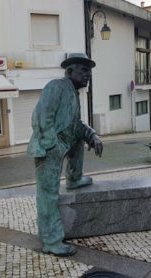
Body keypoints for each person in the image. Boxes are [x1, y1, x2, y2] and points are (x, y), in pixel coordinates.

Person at [27, 53, 103, 256]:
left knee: (79, 136)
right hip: (49, 147)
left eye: (89, 71)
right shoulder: (56, 86)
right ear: (70, 71)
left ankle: (74, 178)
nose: (88, 75)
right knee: (48, 195)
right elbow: (41, 116)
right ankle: (51, 241)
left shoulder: (73, 93)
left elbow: (76, 124)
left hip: (61, 143)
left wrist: (92, 135)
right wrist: (51, 145)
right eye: (83, 70)